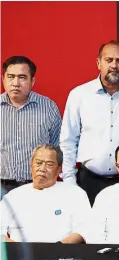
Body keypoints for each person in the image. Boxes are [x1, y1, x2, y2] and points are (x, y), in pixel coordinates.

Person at [60, 40, 119, 205]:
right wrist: (69, 183)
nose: (114, 65)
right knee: (88, 231)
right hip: (88, 182)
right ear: (98, 63)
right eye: (109, 60)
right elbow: (68, 141)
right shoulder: (79, 95)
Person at [1, 144, 90, 243]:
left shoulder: (75, 194)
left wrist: (55, 249)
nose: (42, 169)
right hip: (20, 255)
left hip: (60, 253)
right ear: (31, 166)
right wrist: (18, 251)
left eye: (49, 164)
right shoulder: (13, 196)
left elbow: (83, 231)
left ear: (59, 169)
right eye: (38, 163)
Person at [1, 56, 62, 197]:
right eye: (10, 77)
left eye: (22, 77)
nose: (15, 83)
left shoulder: (48, 107)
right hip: (2, 187)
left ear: (32, 81)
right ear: (3, 79)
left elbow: (57, 147)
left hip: (38, 186)